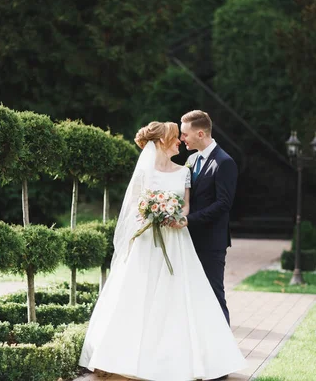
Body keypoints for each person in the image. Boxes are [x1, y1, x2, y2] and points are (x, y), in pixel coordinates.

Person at [79, 121, 246, 381]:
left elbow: (189, 206)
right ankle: (127, 357)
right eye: (175, 137)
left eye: (183, 135)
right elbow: (135, 205)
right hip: (148, 241)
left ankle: (200, 360)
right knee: (139, 296)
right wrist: (152, 214)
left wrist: (176, 215)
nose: (180, 140)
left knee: (186, 296)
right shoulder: (148, 170)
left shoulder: (186, 170)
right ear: (161, 141)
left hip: (177, 239)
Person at [179, 110, 238, 326]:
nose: (181, 138)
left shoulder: (225, 162)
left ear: (201, 134)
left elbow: (223, 204)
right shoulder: (191, 159)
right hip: (188, 240)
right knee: (192, 294)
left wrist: (189, 220)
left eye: (185, 134)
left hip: (212, 242)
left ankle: (225, 346)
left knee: (214, 294)